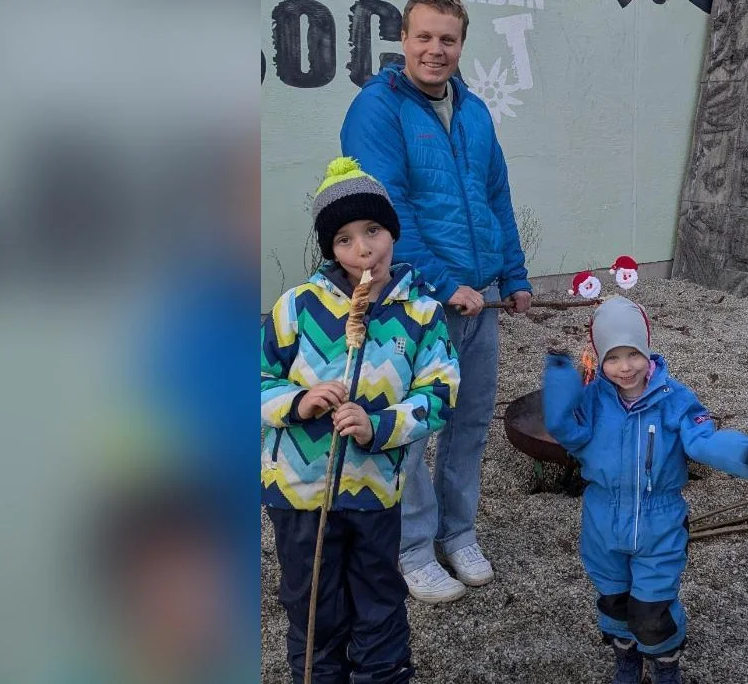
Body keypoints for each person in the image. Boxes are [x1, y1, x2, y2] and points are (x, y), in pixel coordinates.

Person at [340, 0, 532, 603]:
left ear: (460, 43)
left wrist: (516, 275)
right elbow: (386, 211)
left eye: (447, 39)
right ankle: (414, 546)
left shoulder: (473, 110)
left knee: (470, 422)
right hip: (414, 304)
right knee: (412, 429)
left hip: (482, 299)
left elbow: (496, 196)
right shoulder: (379, 108)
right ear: (403, 37)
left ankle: (459, 531)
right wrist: (447, 286)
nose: (435, 50)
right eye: (424, 36)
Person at [261, 157, 460, 683]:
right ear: (330, 247)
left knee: (378, 597)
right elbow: (253, 383)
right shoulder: (296, 307)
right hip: (302, 493)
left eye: (372, 230)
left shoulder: (422, 313)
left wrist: (381, 425)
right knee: (312, 604)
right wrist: (298, 402)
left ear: (392, 230)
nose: (362, 248)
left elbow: (439, 393)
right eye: (345, 238)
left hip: (374, 489)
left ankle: (383, 674)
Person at [542, 296, 748, 684]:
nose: (625, 367)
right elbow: (566, 429)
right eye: (613, 357)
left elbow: (701, 439)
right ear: (599, 359)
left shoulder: (674, 398)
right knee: (615, 602)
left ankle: (666, 666)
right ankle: (626, 659)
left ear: (647, 349)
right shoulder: (594, 399)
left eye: (633, 354)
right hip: (602, 520)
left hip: (659, 521)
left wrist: (744, 456)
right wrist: (561, 376)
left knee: (651, 611)